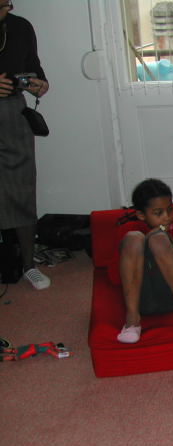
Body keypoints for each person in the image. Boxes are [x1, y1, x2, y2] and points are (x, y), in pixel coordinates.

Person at [108, 179, 173, 344]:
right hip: (139, 299)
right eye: (158, 213)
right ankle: (132, 320)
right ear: (141, 215)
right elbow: (114, 277)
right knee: (134, 238)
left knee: (158, 238)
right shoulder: (127, 230)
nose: (167, 217)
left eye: (170, 209)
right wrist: (140, 259)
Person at [0, 2, 51, 290]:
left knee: (22, 186)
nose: (5, 9)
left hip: (12, 112)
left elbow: (33, 69)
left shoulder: (20, 27)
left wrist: (38, 84)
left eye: (7, 4)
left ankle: (29, 265)